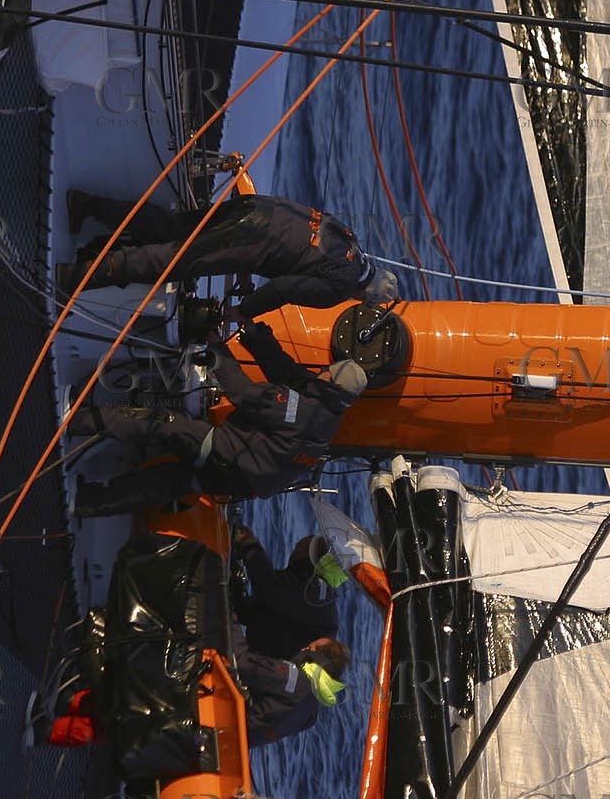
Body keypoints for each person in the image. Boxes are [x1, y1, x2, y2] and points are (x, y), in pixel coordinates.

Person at [72, 322, 366, 515]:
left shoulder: (299, 408)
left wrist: (216, 348)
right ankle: (85, 503)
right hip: (240, 484)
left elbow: (241, 392)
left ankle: (77, 420)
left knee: (160, 423)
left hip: (227, 456)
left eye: (326, 371)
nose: (321, 371)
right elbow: (289, 374)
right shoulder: (326, 420)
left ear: (331, 381)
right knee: (168, 483)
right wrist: (257, 337)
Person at [64, 191, 398, 319]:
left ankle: (87, 204)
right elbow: (283, 289)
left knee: (171, 228)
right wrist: (242, 312)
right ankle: (75, 277)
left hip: (257, 206)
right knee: (176, 261)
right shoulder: (340, 287)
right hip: (252, 237)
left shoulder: (351, 239)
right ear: (365, 297)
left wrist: (247, 266)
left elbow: (296, 243)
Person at [230, 525, 340, 659]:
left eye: (299, 547)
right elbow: (270, 613)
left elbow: (267, 588)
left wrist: (249, 545)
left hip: (266, 664)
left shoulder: (309, 589)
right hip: (271, 661)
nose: (294, 551)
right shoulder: (319, 595)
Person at [237, 636, 350, 746]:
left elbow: (242, 664)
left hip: (231, 722)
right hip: (237, 743)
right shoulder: (310, 715)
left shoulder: (295, 678)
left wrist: (232, 625)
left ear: (315, 656)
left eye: (310, 647)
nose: (303, 649)